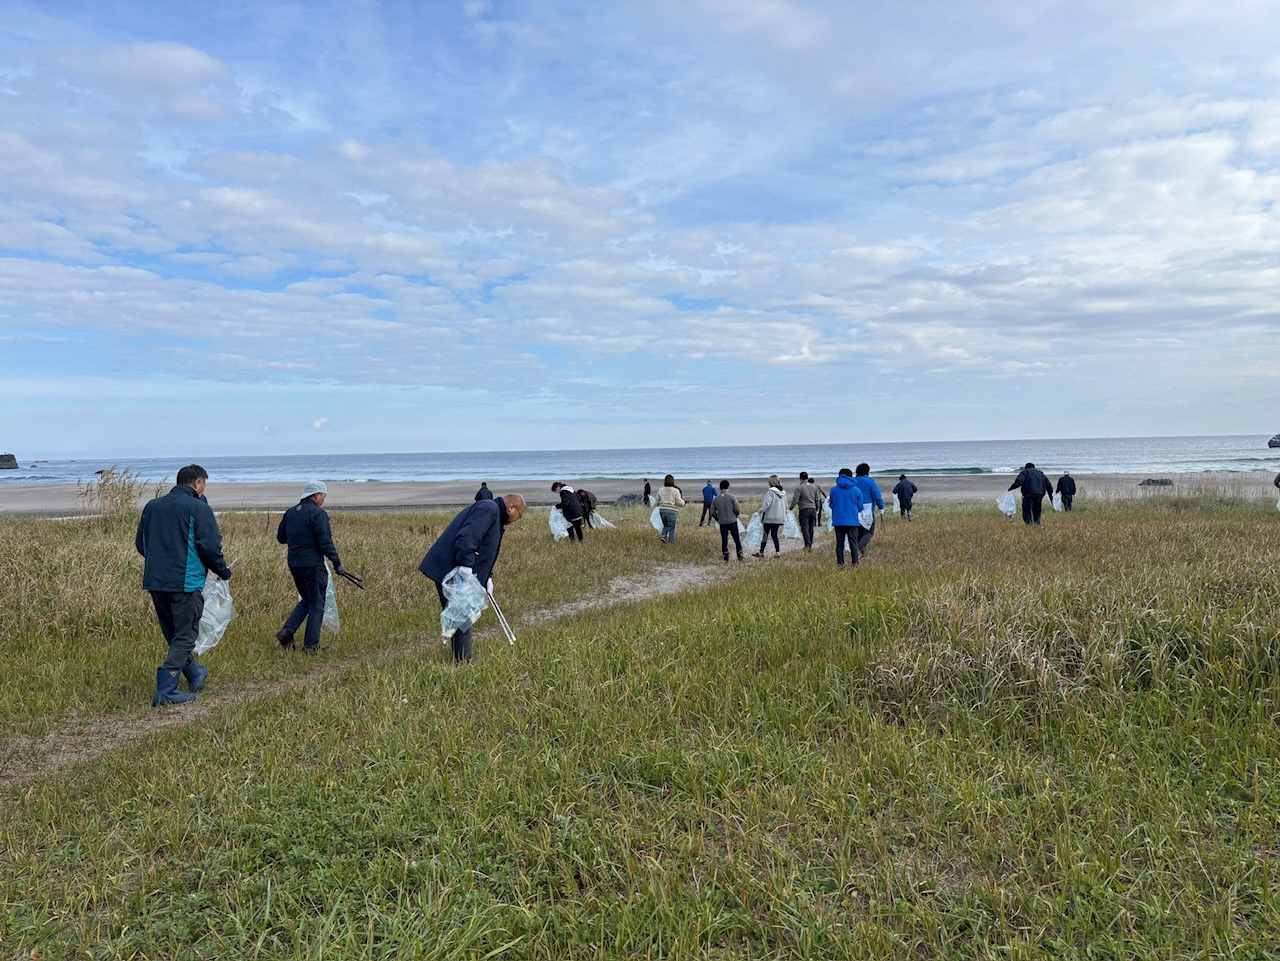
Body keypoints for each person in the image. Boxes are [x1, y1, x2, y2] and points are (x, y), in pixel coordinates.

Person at [134, 464, 232, 707]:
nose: (204, 489)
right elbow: (210, 546)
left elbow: (141, 544)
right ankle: (166, 689)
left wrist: (161, 562)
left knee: (174, 633)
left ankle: (195, 674)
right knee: (186, 635)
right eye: (204, 484)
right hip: (185, 583)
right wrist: (223, 571)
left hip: (156, 581)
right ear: (198, 483)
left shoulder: (152, 506)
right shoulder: (198, 507)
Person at [419, 492, 527, 663]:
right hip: (451, 569)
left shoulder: (495, 517)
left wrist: (487, 577)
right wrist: (465, 566)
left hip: (456, 570)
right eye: (519, 516)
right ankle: (463, 662)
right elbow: (468, 537)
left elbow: (485, 550)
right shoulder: (489, 509)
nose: (516, 520)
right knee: (463, 615)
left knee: (461, 614)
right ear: (511, 508)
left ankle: (461, 657)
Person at [274, 481, 347, 654]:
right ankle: (311, 646)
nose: (323, 500)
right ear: (316, 495)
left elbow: (281, 538)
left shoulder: (290, 513)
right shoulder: (318, 513)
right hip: (313, 564)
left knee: (307, 599)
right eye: (323, 496)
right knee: (317, 604)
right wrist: (337, 563)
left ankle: (287, 632)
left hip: (294, 563)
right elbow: (325, 542)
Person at [827, 468, 868, 567]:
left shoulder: (834, 490)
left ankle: (840, 564)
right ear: (851, 477)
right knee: (853, 543)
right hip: (852, 521)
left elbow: (831, 505)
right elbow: (860, 507)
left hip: (838, 520)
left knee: (839, 544)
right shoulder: (856, 490)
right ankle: (855, 563)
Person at [852, 463, 885, 558]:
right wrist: (881, 507)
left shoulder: (852, 481)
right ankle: (859, 549)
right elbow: (877, 496)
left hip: (854, 509)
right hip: (867, 510)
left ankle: (861, 555)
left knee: (859, 533)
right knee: (869, 532)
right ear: (867, 472)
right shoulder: (870, 482)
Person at [789, 471, 824, 551]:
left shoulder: (799, 488)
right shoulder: (814, 487)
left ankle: (807, 543)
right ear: (807, 478)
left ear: (800, 479)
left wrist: (790, 508)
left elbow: (795, 499)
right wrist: (817, 508)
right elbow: (817, 499)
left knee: (804, 527)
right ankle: (810, 542)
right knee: (811, 527)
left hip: (804, 509)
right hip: (813, 509)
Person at [754, 475, 787, 557]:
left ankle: (761, 552)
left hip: (770, 518)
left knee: (765, 534)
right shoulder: (783, 493)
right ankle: (777, 552)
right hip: (780, 518)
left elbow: (766, 505)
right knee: (774, 534)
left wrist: (758, 512)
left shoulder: (770, 492)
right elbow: (786, 506)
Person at [712, 480, 743, 562]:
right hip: (732, 521)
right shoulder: (732, 497)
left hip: (722, 522)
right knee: (736, 539)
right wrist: (735, 515)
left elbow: (712, 512)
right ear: (728, 487)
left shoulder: (716, 499)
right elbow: (737, 509)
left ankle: (725, 556)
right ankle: (740, 555)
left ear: (720, 488)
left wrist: (718, 518)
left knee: (724, 540)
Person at [656, 474, 684, 543]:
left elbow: (657, 501)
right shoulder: (675, 491)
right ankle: (671, 542)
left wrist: (657, 506)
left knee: (665, 525)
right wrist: (683, 502)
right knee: (671, 528)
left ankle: (663, 536)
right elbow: (679, 502)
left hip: (662, 510)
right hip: (672, 511)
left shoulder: (660, 490)